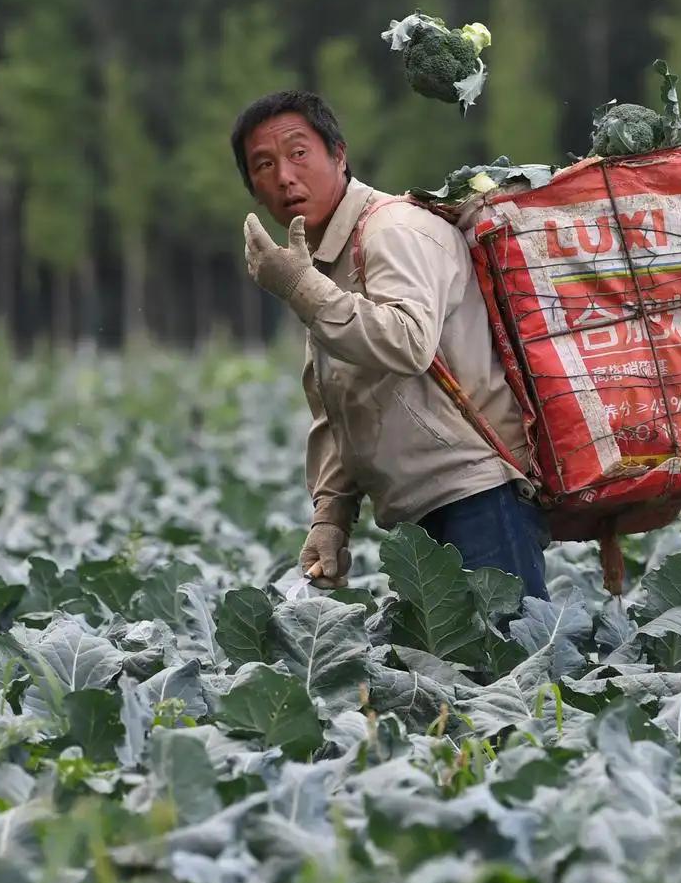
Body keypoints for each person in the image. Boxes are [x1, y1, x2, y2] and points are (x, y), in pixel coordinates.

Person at [233, 89, 550, 599]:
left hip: (478, 495)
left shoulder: (392, 229)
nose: (285, 176)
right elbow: (340, 402)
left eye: (299, 153)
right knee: (452, 652)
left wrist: (299, 288)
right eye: (264, 165)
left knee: (506, 649)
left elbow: (408, 342)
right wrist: (331, 517)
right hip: (420, 509)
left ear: (339, 155)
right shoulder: (322, 262)